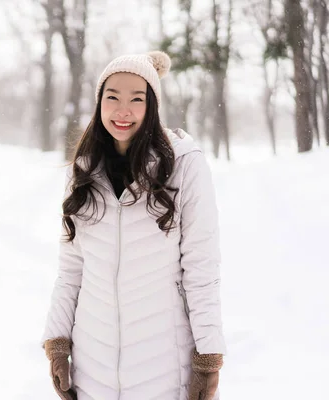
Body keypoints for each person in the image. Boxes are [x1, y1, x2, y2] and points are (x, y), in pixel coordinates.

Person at [41, 51, 227, 400]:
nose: (122, 110)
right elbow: (71, 272)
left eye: (136, 99)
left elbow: (201, 269)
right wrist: (57, 342)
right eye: (112, 97)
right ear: (99, 104)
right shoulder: (82, 174)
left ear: (152, 106)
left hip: (164, 368)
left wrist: (208, 358)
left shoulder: (185, 166)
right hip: (92, 368)